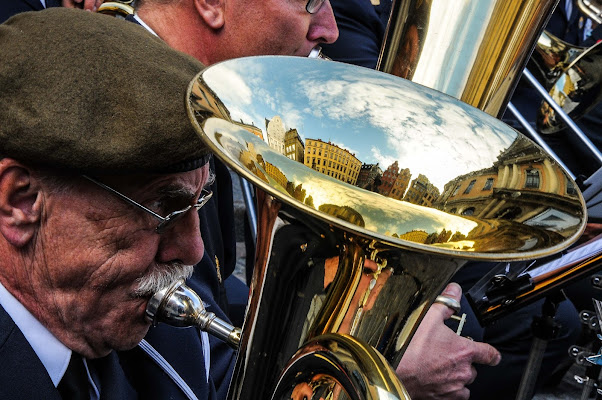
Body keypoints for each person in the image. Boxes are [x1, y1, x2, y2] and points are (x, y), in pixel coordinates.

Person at [0, 7, 237, 399]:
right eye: (164, 209)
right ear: (20, 202)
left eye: (200, 201)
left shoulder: (168, 339)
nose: (194, 250)